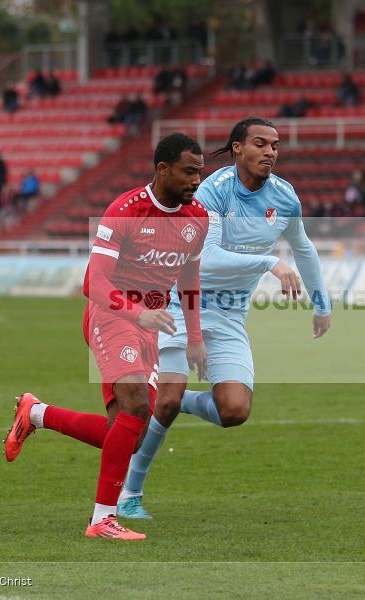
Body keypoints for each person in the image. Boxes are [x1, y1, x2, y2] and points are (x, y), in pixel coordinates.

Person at [116, 117, 332, 519]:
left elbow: (303, 248)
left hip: (230, 315)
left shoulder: (285, 197)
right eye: (260, 144)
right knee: (163, 402)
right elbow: (206, 260)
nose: (270, 152)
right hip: (182, 305)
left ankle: (180, 401)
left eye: (276, 145)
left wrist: (322, 304)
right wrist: (271, 262)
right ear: (237, 148)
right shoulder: (211, 193)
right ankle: (129, 492)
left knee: (234, 411)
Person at [3, 133, 209, 541]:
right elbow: (93, 283)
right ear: (163, 169)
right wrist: (137, 314)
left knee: (127, 434)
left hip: (151, 324)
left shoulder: (197, 220)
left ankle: (36, 414)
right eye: (189, 171)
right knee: (135, 405)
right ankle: (102, 519)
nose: (196, 181)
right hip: (112, 314)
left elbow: (189, 279)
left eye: (200, 172)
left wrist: (195, 338)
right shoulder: (126, 210)